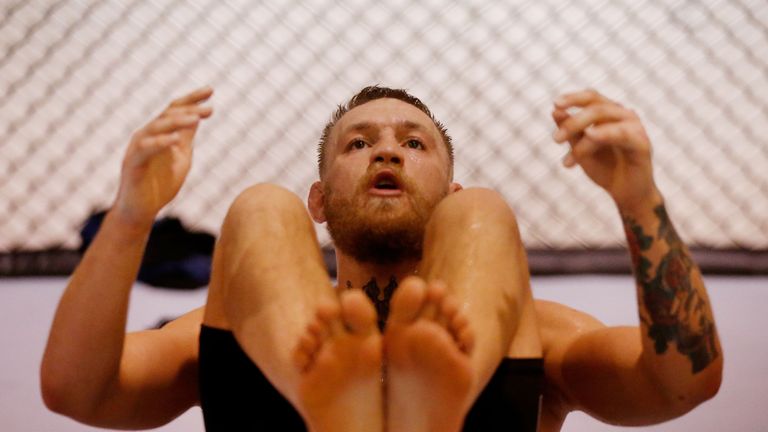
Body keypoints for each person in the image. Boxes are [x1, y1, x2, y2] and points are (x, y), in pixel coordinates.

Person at [41, 85, 722, 432]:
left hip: (468, 342)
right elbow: (78, 390)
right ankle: (333, 395)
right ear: (321, 198)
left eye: (414, 143)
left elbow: (679, 384)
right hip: (297, 347)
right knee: (256, 209)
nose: (388, 151)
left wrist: (639, 198)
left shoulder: (537, 327)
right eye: (358, 143)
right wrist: (132, 216)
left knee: (485, 213)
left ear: (442, 185)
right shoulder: (234, 321)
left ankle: (425, 397)